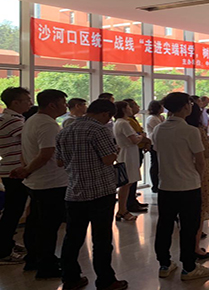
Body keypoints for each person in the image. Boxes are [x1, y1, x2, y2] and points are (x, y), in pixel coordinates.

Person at [56, 99, 128, 290]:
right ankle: (106, 280)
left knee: (73, 238)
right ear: (104, 113)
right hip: (100, 192)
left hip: (74, 192)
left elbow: (59, 162)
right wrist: (115, 151)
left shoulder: (65, 131)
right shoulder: (99, 130)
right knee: (101, 240)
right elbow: (108, 159)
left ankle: (70, 278)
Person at [152, 92, 209, 281]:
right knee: (189, 227)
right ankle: (189, 267)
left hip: (166, 185)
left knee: (164, 226)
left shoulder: (159, 129)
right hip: (188, 186)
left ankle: (164, 264)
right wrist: (197, 176)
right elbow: (200, 161)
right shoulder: (190, 131)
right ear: (185, 106)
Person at [11, 89, 68, 279]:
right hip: (50, 182)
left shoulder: (31, 120)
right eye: (63, 103)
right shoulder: (47, 124)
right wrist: (27, 170)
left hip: (36, 182)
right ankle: (46, 266)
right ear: (52, 105)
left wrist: (26, 169)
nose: (65, 106)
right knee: (48, 227)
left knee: (35, 223)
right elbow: (46, 154)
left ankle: (34, 259)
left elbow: (25, 151)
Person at [0, 87, 32, 265]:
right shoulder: (12, 121)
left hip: (11, 170)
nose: (30, 103)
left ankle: (7, 243)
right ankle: (3, 251)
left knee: (12, 211)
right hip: (15, 171)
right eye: (27, 100)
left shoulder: (9, 119)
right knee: (13, 212)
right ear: (15, 102)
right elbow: (31, 140)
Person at [185, 103, 209, 261]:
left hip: (178, 176)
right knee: (198, 213)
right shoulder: (196, 131)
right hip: (199, 175)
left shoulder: (163, 129)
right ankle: (195, 248)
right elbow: (206, 152)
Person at [113, 101, 143, 222]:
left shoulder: (119, 122)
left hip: (127, 153)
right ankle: (122, 210)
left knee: (127, 183)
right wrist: (141, 136)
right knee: (126, 183)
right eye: (129, 107)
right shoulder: (124, 123)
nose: (131, 109)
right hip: (128, 154)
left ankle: (123, 209)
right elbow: (134, 140)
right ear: (124, 109)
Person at [123, 99, 150, 213]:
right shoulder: (126, 122)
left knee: (134, 178)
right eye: (133, 106)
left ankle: (133, 200)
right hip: (132, 151)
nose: (138, 107)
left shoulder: (132, 120)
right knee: (131, 179)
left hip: (138, 149)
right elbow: (136, 135)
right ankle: (130, 203)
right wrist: (142, 137)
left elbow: (140, 132)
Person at [145, 100, 165, 193]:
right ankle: (155, 185)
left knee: (160, 164)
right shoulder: (152, 118)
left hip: (161, 143)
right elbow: (160, 129)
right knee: (155, 164)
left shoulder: (161, 117)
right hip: (154, 143)